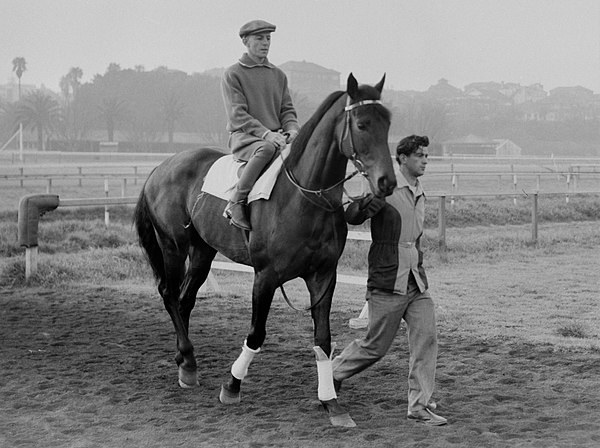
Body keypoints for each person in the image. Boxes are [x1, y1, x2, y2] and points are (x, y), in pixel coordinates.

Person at [332, 135, 447, 426]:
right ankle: (331, 373)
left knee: (427, 338)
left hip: (416, 282)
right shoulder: (386, 187)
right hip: (387, 280)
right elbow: (352, 215)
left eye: (426, 156)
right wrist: (369, 201)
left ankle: (418, 406)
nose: (424, 160)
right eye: (419, 155)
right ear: (403, 158)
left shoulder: (420, 191)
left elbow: (415, 240)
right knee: (375, 346)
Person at [221, 19, 300, 230]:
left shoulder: (278, 75)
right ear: (246, 41)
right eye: (259, 38)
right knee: (266, 149)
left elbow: (287, 110)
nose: (265, 43)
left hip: (276, 137)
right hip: (245, 137)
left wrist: (292, 129)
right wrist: (266, 134)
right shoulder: (233, 73)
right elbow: (238, 115)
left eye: (268, 38)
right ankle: (236, 202)